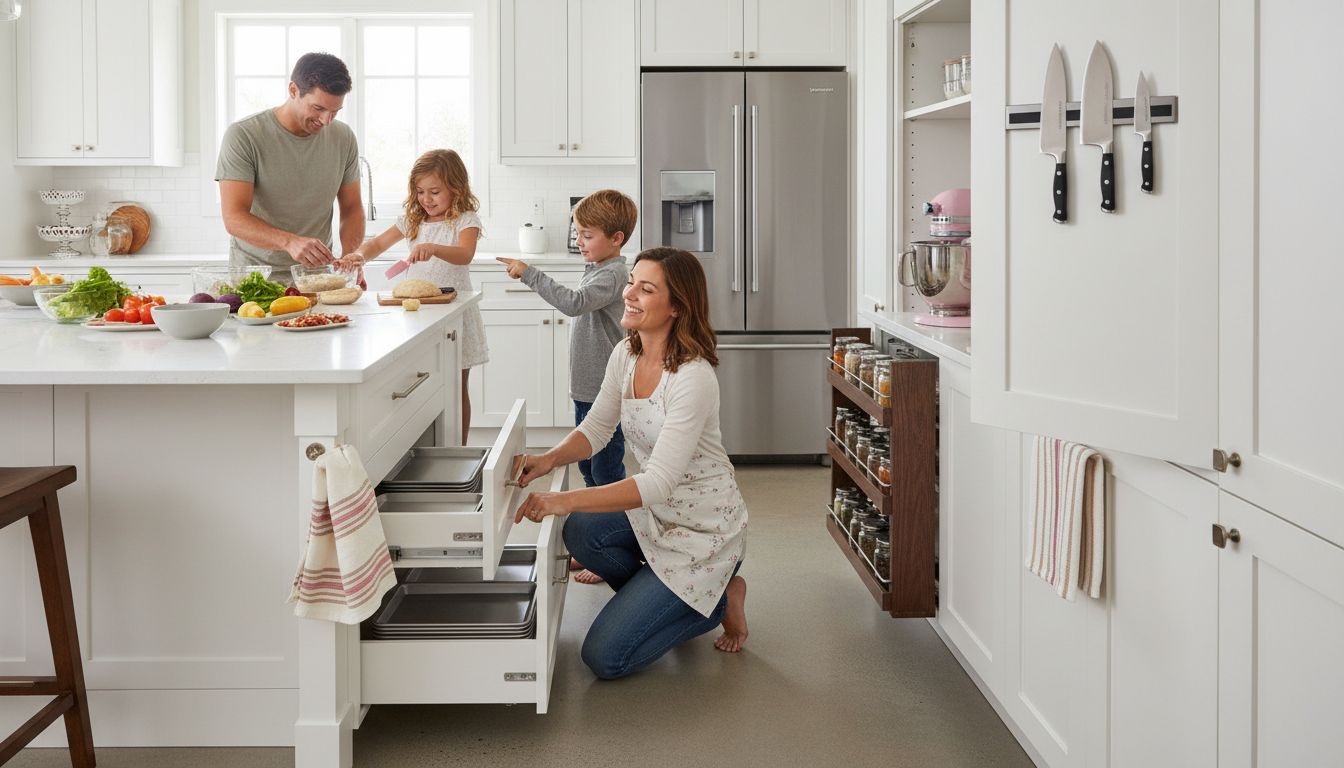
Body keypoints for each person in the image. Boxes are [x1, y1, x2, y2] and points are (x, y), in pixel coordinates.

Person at [512, 247, 749, 680]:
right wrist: (547, 460)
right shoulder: (626, 353)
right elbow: (597, 428)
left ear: (677, 307)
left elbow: (656, 482)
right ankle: (663, 596)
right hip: (657, 514)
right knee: (581, 531)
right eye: (631, 283)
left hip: (703, 530)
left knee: (605, 658)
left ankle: (718, 601)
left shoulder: (693, 378)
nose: (629, 294)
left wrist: (563, 500)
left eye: (647, 289)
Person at [497, 190, 635, 586]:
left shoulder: (613, 274)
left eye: (587, 235)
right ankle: (594, 540)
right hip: (588, 387)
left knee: (606, 472)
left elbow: (573, 303)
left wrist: (531, 274)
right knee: (590, 469)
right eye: (578, 234)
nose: (579, 242)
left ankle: (609, 549)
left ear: (617, 239)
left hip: (604, 390)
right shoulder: (598, 267)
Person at [335, 149, 487, 445]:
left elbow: (465, 254)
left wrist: (434, 248)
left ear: (456, 188)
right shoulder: (412, 220)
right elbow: (377, 243)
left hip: (454, 315)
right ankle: (424, 448)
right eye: (420, 191)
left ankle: (457, 449)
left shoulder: (465, 220)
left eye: (434, 192)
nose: (426, 199)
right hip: (418, 317)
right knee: (422, 384)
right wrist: (358, 256)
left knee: (456, 386)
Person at [216, 52, 364, 272]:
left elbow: (352, 208)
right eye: (318, 108)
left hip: (316, 277)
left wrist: (350, 256)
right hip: (256, 275)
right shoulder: (244, 135)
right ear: (293, 90)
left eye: (335, 112)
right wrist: (289, 242)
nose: (326, 120)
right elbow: (234, 218)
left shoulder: (344, 138)